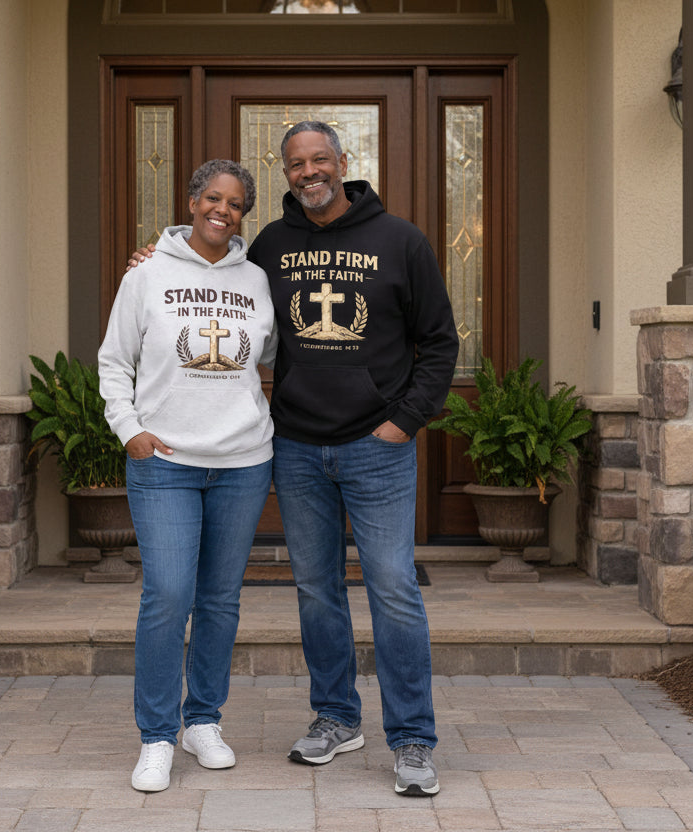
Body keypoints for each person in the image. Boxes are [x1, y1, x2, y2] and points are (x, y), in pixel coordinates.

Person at [129, 121, 458, 795]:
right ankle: (336, 718)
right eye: (296, 164)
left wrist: (402, 424)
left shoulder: (401, 240)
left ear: (342, 162)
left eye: (320, 159)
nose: (310, 171)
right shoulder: (271, 248)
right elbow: (211, 278)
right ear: (285, 174)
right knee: (316, 592)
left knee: (394, 590)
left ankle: (414, 740)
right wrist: (151, 266)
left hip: (377, 450)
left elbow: (440, 343)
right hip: (299, 448)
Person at [99, 159, 278, 793]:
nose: (221, 211)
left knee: (220, 601)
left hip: (242, 462)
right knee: (168, 595)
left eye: (234, 204)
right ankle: (155, 736)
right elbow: (114, 360)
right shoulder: (146, 274)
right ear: (192, 201)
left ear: (242, 215)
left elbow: (279, 357)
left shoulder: (257, 280)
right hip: (166, 462)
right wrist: (131, 432)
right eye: (211, 198)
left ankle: (202, 721)